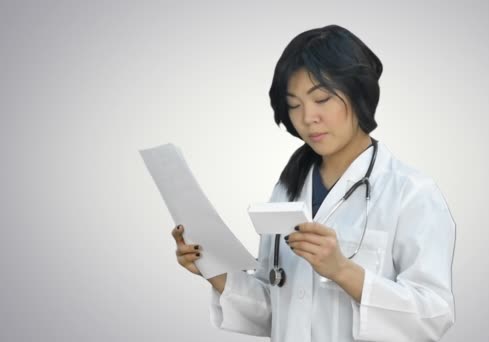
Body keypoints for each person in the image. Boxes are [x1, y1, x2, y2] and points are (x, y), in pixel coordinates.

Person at [172, 24, 456, 342]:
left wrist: (342, 271)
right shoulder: (286, 191)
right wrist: (215, 270)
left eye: (321, 98)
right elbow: (275, 307)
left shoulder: (412, 193)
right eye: (294, 105)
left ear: (359, 94)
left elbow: (433, 316)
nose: (308, 117)